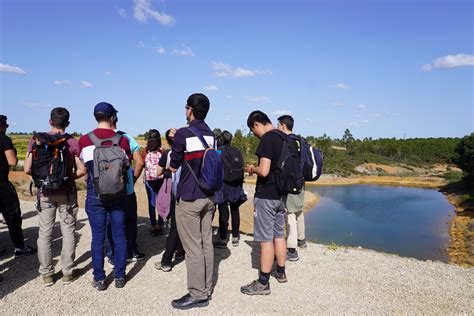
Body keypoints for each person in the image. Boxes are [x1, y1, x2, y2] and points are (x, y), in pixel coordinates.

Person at [24, 107, 86, 286]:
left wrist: (42, 180)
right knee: (68, 231)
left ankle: (47, 274)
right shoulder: (72, 142)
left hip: (45, 194)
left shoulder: (36, 140)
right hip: (66, 193)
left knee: (45, 233)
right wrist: (68, 178)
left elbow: (27, 168)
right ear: (67, 123)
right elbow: (82, 169)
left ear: (50, 121)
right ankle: (68, 272)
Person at [168, 93, 215, 310]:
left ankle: (197, 294)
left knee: (193, 247)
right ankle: (206, 288)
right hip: (209, 197)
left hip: (189, 198)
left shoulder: (184, 134)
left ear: (190, 110)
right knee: (206, 243)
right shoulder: (211, 134)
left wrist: (175, 139)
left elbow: (173, 165)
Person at [79, 102, 131, 290]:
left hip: (95, 194)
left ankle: (100, 279)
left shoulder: (85, 140)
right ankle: (119, 276)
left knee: (97, 237)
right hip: (118, 193)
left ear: (96, 116)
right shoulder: (122, 140)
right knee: (119, 235)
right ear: (112, 117)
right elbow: (126, 166)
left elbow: (85, 166)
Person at [241, 110, 288, 296]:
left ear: (256, 124)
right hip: (281, 195)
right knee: (279, 234)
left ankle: (263, 283)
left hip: (267, 195)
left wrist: (253, 168)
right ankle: (281, 272)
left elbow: (265, 170)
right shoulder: (284, 137)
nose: (254, 134)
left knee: (265, 239)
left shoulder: (268, 139)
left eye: (253, 131)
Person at [106, 119, 145, 266]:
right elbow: (140, 162)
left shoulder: (95, 138)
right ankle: (130, 252)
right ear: (115, 119)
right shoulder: (126, 137)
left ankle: (112, 254)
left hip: (106, 191)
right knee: (130, 221)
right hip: (126, 190)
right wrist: (133, 179)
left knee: (111, 223)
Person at [0, 115, 36, 258]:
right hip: (2, 184)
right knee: (12, 215)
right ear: (2, 126)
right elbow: (12, 161)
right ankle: (20, 247)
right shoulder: (4, 139)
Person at [154, 129, 185, 272]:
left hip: (176, 191)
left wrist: (168, 170)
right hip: (191, 192)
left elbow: (158, 173)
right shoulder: (188, 152)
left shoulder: (168, 154)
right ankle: (180, 251)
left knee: (175, 225)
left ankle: (166, 260)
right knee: (182, 224)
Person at [277, 115, 307, 262]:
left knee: (290, 214)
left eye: (278, 125)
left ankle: (292, 249)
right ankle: (302, 240)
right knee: (299, 211)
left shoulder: (287, 141)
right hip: (301, 181)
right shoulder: (300, 140)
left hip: (291, 182)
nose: (277, 127)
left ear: (283, 125)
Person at [214, 130, 247, 248]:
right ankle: (235, 237)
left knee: (223, 212)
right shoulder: (236, 151)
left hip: (223, 185)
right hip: (236, 185)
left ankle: (223, 238)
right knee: (235, 210)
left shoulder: (218, 152)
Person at [142, 129, 165, 236]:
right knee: (160, 203)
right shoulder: (162, 151)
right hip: (161, 180)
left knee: (152, 203)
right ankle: (160, 225)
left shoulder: (145, 151)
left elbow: (142, 164)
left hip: (149, 181)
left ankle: (153, 225)